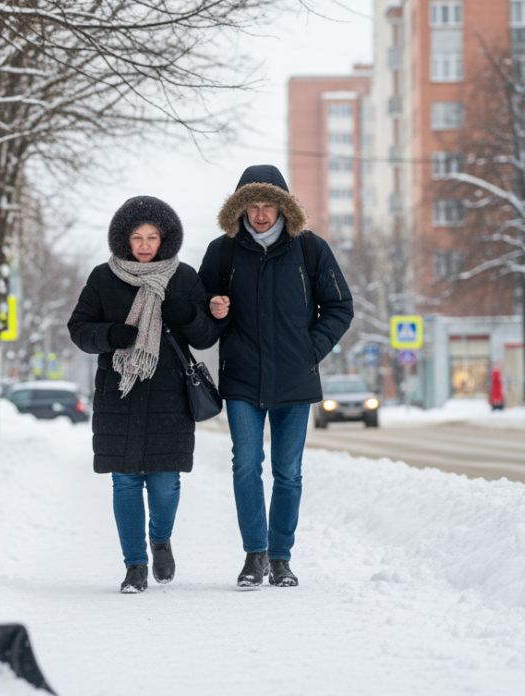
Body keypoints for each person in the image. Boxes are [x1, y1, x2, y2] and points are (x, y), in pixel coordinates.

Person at [197, 165, 352, 589]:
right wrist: (213, 309)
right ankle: (255, 556)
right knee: (246, 465)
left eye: (269, 205)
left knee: (288, 472)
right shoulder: (222, 251)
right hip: (243, 377)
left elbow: (340, 306)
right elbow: (198, 308)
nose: (261, 214)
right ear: (241, 207)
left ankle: (281, 559)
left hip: (295, 378)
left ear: (283, 207)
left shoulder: (310, 249)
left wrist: (311, 349)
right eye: (253, 205)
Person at [68, 196, 219, 593]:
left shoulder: (183, 276)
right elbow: (79, 328)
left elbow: (206, 335)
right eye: (137, 237)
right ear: (124, 239)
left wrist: (186, 314)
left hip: (170, 395)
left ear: (165, 238)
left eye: (153, 236)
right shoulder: (104, 277)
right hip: (119, 393)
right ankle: (134, 565)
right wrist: (109, 335)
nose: (146, 244)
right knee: (125, 483)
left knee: (166, 483)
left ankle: (160, 540)